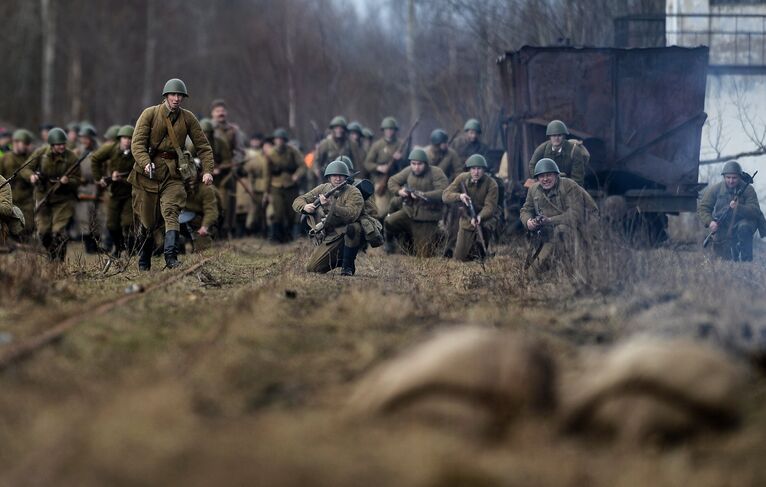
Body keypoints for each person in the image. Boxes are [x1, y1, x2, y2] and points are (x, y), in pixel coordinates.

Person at [129, 78, 214, 270]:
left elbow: (203, 147)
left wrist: (207, 171)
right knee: (148, 221)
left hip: (174, 174)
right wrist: (145, 162)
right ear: (166, 96)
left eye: (180, 96)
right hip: (148, 174)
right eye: (173, 95)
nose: (176, 99)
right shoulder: (150, 114)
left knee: (171, 212)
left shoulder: (188, 118)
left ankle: (171, 257)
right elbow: (137, 143)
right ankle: (144, 259)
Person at [519, 158, 598, 270]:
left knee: (562, 230)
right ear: (537, 178)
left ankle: (571, 266)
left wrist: (549, 220)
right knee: (532, 274)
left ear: (556, 175)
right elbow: (526, 209)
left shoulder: (569, 186)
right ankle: (555, 264)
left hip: (578, 229)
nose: (545, 179)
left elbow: (575, 215)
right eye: (541, 176)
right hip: (551, 235)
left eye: (549, 175)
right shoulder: (533, 190)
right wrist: (529, 222)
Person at [292, 160, 364, 275]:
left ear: (346, 177)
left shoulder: (354, 192)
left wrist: (330, 206)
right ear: (329, 177)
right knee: (312, 268)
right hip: (330, 233)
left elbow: (351, 215)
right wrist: (305, 206)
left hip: (347, 230)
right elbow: (298, 200)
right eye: (334, 175)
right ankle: (340, 258)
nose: (338, 178)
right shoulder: (323, 188)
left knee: (354, 227)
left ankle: (348, 265)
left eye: (341, 176)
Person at [21, 127, 81, 261]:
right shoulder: (41, 154)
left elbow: (78, 179)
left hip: (63, 200)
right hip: (44, 197)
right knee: (43, 232)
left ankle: (59, 259)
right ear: (51, 145)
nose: (62, 147)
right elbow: (25, 168)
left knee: (58, 231)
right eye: (58, 144)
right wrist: (31, 176)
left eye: (63, 144)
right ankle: (51, 255)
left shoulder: (71, 157)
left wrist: (68, 181)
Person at [698, 160, 766, 261]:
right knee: (723, 260)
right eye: (728, 177)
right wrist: (710, 222)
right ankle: (733, 252)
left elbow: (755, 211)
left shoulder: (748, 189)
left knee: (744, 228)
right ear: (724, 177)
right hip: (724, 224)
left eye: (734, 178)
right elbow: (703, 207)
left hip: (744, 222)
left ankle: (746, 262)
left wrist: (739, 207)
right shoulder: (716, 189)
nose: (731, 181)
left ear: (739, 177)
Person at [384, 149, 448, 256]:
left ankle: (439, 235)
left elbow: (444, 191)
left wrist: (422, 195)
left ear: (426, 164)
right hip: (409, 212)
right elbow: (392, 181)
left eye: (419, 164)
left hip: (427, 217)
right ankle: (401, 241)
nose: (416, 167)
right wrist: (399, 191)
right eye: (413, 164)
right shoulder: (409, 171)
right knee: (389, 222)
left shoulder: (436, 172)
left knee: (423, 255)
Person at [442, 154, 498, 262]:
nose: (476, 172)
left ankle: (481, 250)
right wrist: (459, 196)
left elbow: (490, 207)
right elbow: (445, 196)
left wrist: (480, 217)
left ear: (484, 170)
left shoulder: (492, 184)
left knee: (481, 253)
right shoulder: (462, 178)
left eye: (479, 169)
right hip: (467, 218)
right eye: (473, 168)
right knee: (459, 258)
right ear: (469, 169)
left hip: (486, 219)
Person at [92, 125, 136, 257]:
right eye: (124, 138)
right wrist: (99, 178)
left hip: (130, 192)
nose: (127, 141)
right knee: (111, 224)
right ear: (119, 139)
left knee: (128, 223)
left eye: (129, 138)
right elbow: (95, 159)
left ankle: (131, 250)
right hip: (114, 192)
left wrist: (126, 177)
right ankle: (118, 247)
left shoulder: (137, 151)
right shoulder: (111, 148)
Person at [264, 128, 304, 243]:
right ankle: (277, 237)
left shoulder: (293, 151)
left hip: (291, 185)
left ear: (285, 140)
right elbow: (267, 174)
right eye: (277, 139)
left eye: (282, 139)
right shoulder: (270, 154)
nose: (279, 141)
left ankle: (289, 235)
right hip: (276, 186)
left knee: (291, 212)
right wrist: (266, 191)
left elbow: (302, 166)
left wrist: (297, 175)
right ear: (274, 141)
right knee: (278, 212)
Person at [364, 116, 405, 220]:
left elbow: (408, 165)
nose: (389, 132)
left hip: (397, 183)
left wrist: (401, 159)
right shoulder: (377, 145)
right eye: (387, 129)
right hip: (381, 183)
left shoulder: (401, 144)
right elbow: (367, 163)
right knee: (381, 212)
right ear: (383, 131)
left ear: (395, 131)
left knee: (398, 211)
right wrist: (379, 167)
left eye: (391, 129)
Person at [526, 120, 588, 188]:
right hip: (547, 184)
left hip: (567, 185)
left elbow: (577, 178)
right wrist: (541, 180)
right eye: (554, 135)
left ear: (564, 136)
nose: (556, 138)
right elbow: (532, 165)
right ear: (550, 137)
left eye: (559, 135)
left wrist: (569, 189)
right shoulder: (542, 149)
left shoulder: (574, 151)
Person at [0, 129, 35, 238]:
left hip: (26, 197)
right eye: (24, 143)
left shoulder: (30, 158)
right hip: (9, 196)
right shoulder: (6, 158)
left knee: (27, 226)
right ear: (16, 142)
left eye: (27, 144)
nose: (26, 146)